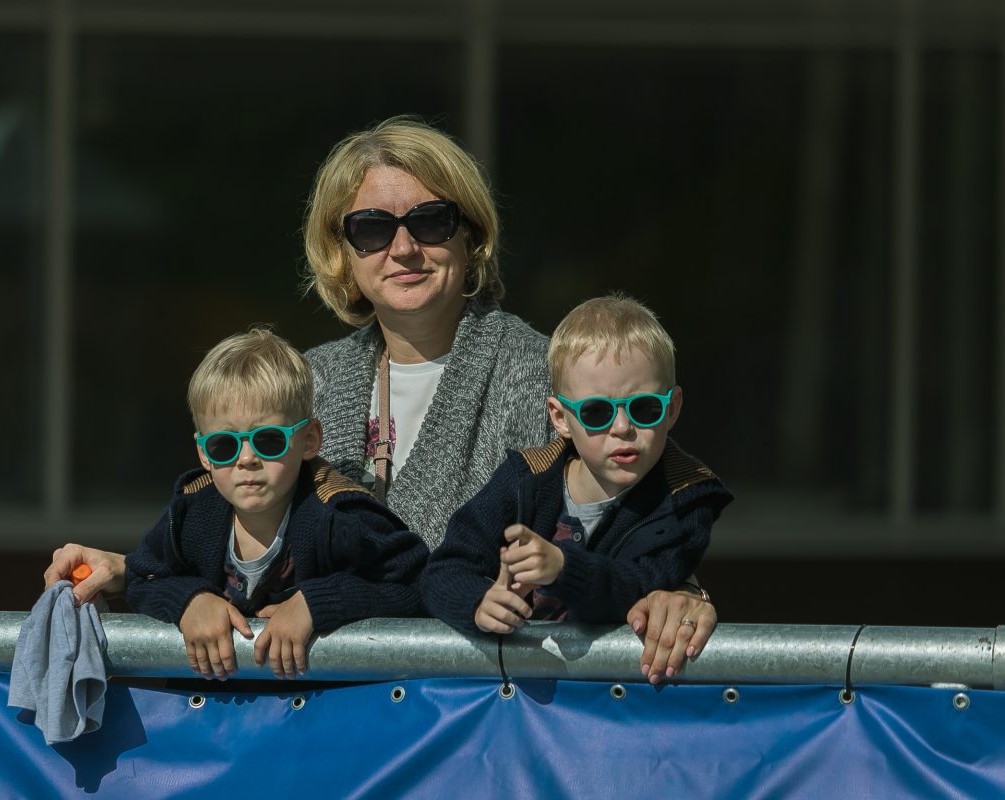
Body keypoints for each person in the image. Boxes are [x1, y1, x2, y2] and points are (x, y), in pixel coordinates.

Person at [44, 117, 719, 681]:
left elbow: (650, 506)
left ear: (471, 235)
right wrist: (132, 573)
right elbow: (245, 539)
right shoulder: (304, 380)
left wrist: (683, 592)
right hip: (323, 716)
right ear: (342, 252)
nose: (403, 248)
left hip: (487, 716)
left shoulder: (547, 372)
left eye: (430, 221)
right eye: (371, 228)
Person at [420, 295, 732, 683]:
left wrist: (563, 568)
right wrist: (478, 603)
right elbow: (443, 569)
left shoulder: (686, 498)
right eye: (596, 412)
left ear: (672, 409)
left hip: (610, 696)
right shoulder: (523, 479)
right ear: (560, 418)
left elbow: (642, 584)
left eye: (644, 408)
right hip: (510, 697)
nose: (623, 427)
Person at [123, 328, 428, 680]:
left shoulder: (340, 516)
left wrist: (316, 602)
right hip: (220, 706)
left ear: (309, 440)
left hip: (325, 703)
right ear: (204, 453)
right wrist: (189, 601)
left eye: (269, 440)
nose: (246, 459)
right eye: (224, 445)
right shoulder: (190, 512)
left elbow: (416, 583)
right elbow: (140, 577)